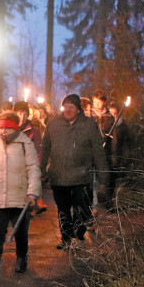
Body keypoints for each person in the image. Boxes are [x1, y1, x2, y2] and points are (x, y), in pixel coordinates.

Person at [0, 112, 41, 280]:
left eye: (7, 128)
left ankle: (21, 257)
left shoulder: (25, 144)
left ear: (14, 128)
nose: (3, 132)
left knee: (20, 231)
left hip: (19, 196)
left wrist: (32, 192)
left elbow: (33, 169)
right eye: (1, 128)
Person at [40, 94, 109, 250]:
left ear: (78, 110)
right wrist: (42, 169)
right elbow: (45, 148)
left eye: (72, 107)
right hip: (59, 176)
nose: (68, 110)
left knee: (81, 208)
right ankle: (66, 237)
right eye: (65, 107)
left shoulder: (89, 125)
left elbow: (98, 152)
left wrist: (103, 175)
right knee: (63, 209)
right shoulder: (53, 124)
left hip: (82, 176)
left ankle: (78, 233)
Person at [13, 101, 48, 215]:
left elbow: (38, 150)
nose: (22, 116)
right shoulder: (10, 130)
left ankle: (29, 209)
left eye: (24, 113)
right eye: (19, 113)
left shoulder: (34, 131)